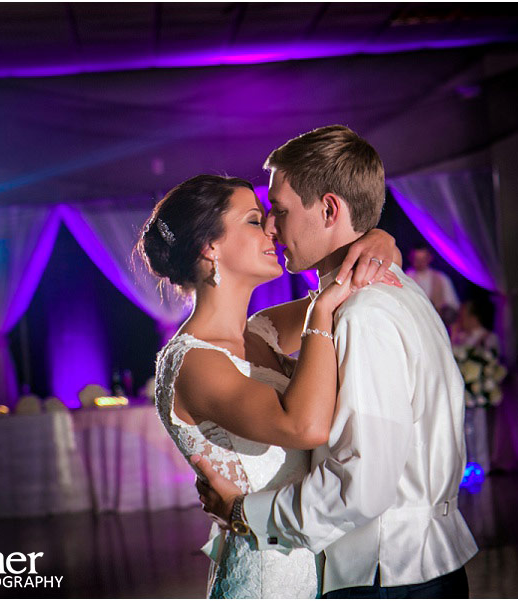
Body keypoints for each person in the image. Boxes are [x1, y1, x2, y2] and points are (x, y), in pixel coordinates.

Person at [193, 125, 478, 598]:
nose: (271, 227)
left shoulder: (361, 315)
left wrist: (247, 514)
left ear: (329, 209)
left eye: (280, 211)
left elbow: (362, 486)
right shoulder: (395, 290)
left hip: (386, 574)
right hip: (414, 566)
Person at [138, 173, 402, 598]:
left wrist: (381, 239)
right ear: (211, 248)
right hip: (266, 581)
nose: (273, 231)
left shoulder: (260, 334)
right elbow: (305, 427)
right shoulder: (191, 363)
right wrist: (320, 316)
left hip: (320, 562)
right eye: (254, 220)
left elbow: (351, 281)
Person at [404, 244, 461, 324]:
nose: (420, 263)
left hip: (437, 323)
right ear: (411, 258)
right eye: (417, 259)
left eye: (423, 259)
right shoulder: (406, 277)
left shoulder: (441, 278)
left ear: (429, 258)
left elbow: (453, 304)